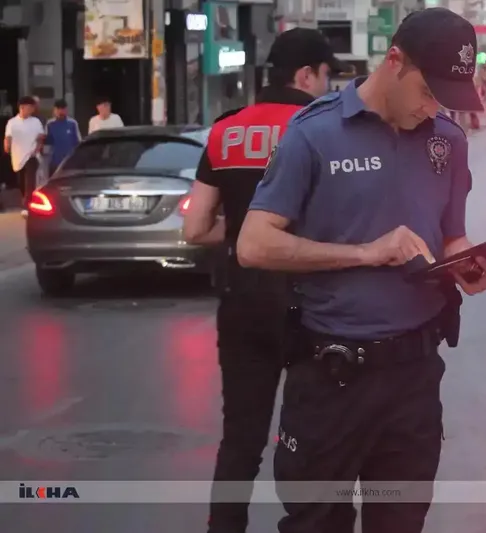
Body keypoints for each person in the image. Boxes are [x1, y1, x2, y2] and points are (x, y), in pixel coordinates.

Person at [237, 8, 486, 533]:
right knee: (317, 522)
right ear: (394, 61)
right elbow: (253, 245)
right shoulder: (313, 134)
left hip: (414, 377)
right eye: (428, 91)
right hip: (331, 377)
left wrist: (467, 265)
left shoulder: (447, 141)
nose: (434, 108)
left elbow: (448, 234)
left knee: (401, 522)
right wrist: (366, 253)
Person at [181, 28, 349, 533]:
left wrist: (239, 234)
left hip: (241, 302)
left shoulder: (226, 130)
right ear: (305, 75)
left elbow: (194, 228)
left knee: (240, 438)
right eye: (326, 76)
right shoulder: (323, 128)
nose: (329, 88)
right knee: (320, 437)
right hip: (311, 308)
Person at [3, 96, 44, 213]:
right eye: (29, 107)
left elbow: (41, 136)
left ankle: (27, 206)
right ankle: (26, 199)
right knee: (21, 182)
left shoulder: (35, 121)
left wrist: (38, 148)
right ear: (22, 107)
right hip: (18, 156)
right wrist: (7, 145)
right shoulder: (12, 122)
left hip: (32, 155)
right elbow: (8, 136)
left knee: (29, 180)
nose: (32, 110)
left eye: (33, 108)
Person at [45, 99, 81, 176]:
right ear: (54, 110)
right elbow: (46, 143)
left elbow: (78, 142)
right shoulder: (50, 124)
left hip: (69, 162)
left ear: (66, 110)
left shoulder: (72, 123)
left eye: (63, 109)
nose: (60, 112)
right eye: (58, 109)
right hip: (54, 162)